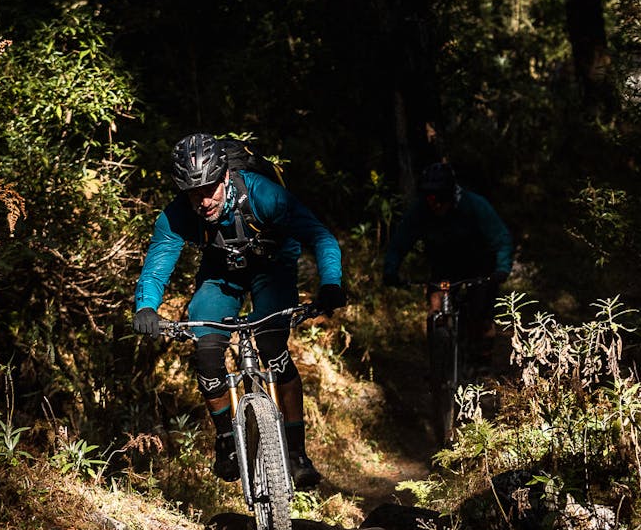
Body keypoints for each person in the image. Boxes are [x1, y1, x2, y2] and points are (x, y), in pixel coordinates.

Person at [133, 132, 345, 488]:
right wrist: (146, 307)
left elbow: (320, 236)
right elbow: (158, 263)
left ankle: (296, 453)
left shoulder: (266, 194)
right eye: (193, 193)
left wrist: (331, 285)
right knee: (208, 352)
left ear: (226, 176)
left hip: (272, 266)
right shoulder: (176, 215)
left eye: (210, 188)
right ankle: (227, 442)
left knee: (274, 347)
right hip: (220, 274)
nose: (203, 201)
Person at [382, 162, 513, 366]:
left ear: (451, 194)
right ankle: (438, 365)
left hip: (479, 265)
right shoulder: (421, 210)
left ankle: (482, 364)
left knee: (480, 314)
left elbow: (501, 237)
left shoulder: (475, 206)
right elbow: (401, 241)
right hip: (444, 266)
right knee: (436, 308)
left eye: (440, 197)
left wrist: (502, 268)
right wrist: (391, 269)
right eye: (429, 197)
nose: (435, 204)